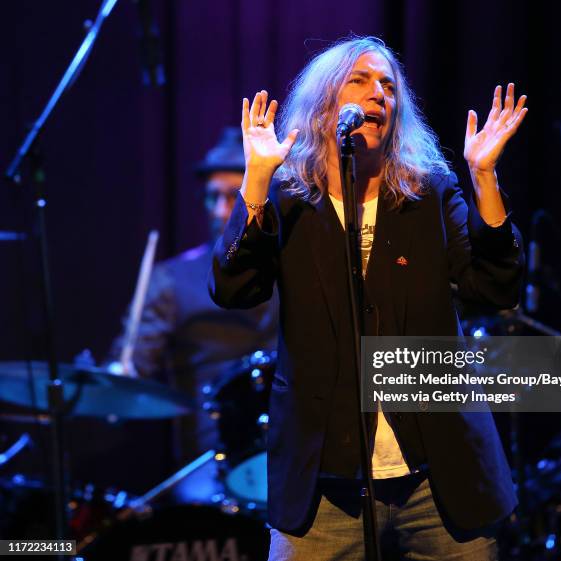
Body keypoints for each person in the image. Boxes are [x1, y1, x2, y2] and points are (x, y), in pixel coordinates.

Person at [210, 36, 526, 560]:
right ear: (325, 105)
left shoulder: (430, 194)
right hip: (323, 485)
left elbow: (495, 287)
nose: (378, 93)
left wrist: (484, 177)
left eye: (388, 85)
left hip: (439, 477)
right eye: (360, 81)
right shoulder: (288, 202)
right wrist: (256, 184)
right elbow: (233, 288)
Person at [110, 127, 278, 473]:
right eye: (211, 198)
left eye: (233, 197)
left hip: (298, 456)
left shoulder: (297, 267)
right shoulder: (170, 280)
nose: (219, 211)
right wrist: (119, 374)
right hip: (208, 464)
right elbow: (131, 363)